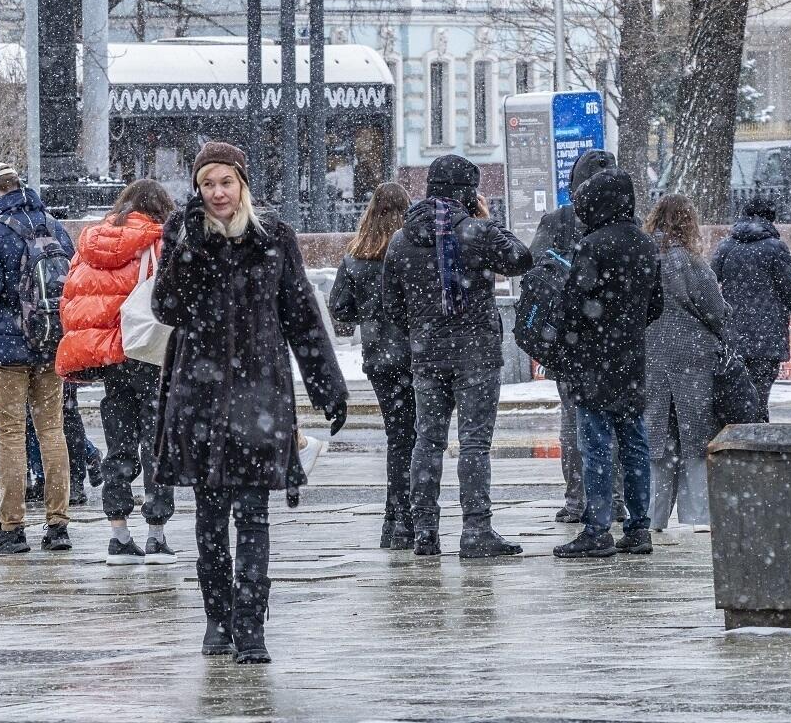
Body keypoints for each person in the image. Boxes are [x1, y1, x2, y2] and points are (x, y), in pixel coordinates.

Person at [152, 141, 347, 664]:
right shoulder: (182, 235)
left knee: (255, 517)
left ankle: (251, 626)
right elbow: (166, 307)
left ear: (243, 184)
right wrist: (189, 244)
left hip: (261, 394)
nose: (217, 193)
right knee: (210, 519)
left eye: (226, 182)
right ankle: (218, 620)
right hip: (199, 396)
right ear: (196, 190)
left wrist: (328, 386)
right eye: (207, 184)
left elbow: (303, 317)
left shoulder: (274, 239)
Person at [382, 155, 532, 558]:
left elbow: (391, 306)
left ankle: (425, 530)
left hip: (426, 356)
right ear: (469, 193)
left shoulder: (400, 240)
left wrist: (423, 326)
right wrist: (487, 219)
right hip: (476, 356)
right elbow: (522, 258)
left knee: (427, 441)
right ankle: (476, 529)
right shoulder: (476, 232)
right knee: (474, 445)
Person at [57, 179, 179, 565]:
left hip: (111, 357)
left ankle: (119, 535)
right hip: (148, 350)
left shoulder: (93, 242)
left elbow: (74, 300)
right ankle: (157, 535)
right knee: (156, 442)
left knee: (119, 443)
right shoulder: (159, 240)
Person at [0, 162, 75, 555]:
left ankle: (12, 528)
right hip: (50, 344)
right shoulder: (53, 225)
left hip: (6, 348)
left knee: (10, 435)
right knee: (52, 432)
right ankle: (58, 526)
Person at [553, 168, 663, 559]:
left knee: (595, 445)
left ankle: (597, 528)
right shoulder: (646, 244)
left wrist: (579, 331)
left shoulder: (592, 246)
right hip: (630, 360)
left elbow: (571, 308)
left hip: (593, 362)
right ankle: (638, 527)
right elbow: (656, 305)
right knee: (634, 443)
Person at [530, 149, 626, 525]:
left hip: (570, 341)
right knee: (616, 421)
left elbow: (535, 270)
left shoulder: (558, 221)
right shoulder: (625, 223)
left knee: (574, 420)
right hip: (615, 341)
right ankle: (615, 501)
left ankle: (578, 500)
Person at [329, 182, 415, 550]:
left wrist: (368, 313)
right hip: (417, 355)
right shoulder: (413, 250)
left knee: (398, 436)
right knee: (419, 437)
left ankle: (393, 520)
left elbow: (339, 309)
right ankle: (413, 516)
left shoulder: (356, 255)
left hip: (380, 358)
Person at [644, 194, 726, 533]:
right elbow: (716, 311)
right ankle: (699, 517)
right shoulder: (691, 263)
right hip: (692, 358)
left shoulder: (645, 258)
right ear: (688, 222)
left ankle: (652, 515)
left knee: (658, 440)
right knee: (695, 437)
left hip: (651, 357)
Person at [711, 196, 791, 422]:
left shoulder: (726, 247)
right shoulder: (775, 248)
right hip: (767, 335)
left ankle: (743, 432)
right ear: (770, 219)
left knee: (737, 389)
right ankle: (757, 433)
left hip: (734, 335)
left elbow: (709, 283)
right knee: (761, 389)